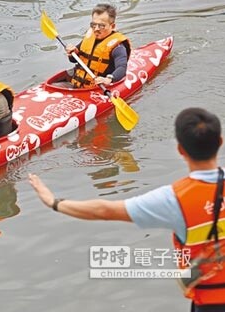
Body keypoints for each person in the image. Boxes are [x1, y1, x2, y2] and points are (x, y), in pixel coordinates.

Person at [29, 107, 225, 311]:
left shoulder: (174, 199)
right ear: (220, 142)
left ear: (180, 150)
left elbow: (104, 210)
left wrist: (54, 202)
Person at [57, 3, 131, 89]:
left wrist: (109, 79)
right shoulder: (89, 38)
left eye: (101, 26)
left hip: (97, 88)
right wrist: (73, 53)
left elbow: (122, 68)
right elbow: (73, 60)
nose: (96, 29)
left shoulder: (118, 47)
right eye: (93, 25)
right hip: (76, 83)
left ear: (112, 26)